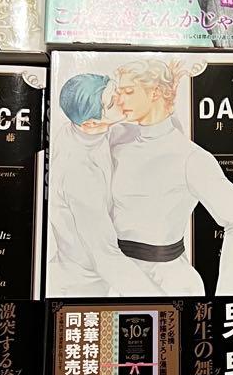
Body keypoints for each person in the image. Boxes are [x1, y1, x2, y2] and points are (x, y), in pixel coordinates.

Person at [107, 58, 233, 295]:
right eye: (119, 92)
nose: (119, 100)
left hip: (169, 285)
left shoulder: (190, 158)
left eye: (128, 92)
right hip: (116, 279)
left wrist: (225, 299)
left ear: (155, 93)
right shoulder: (117, 140)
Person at [46, 72, 159, 296]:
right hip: (80, 286)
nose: (122, 99)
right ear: (91, 123)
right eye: (111, 102)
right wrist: (166, 305)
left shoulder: (92, 130)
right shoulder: (78, 172)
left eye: (116, 90)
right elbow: (105, 256)